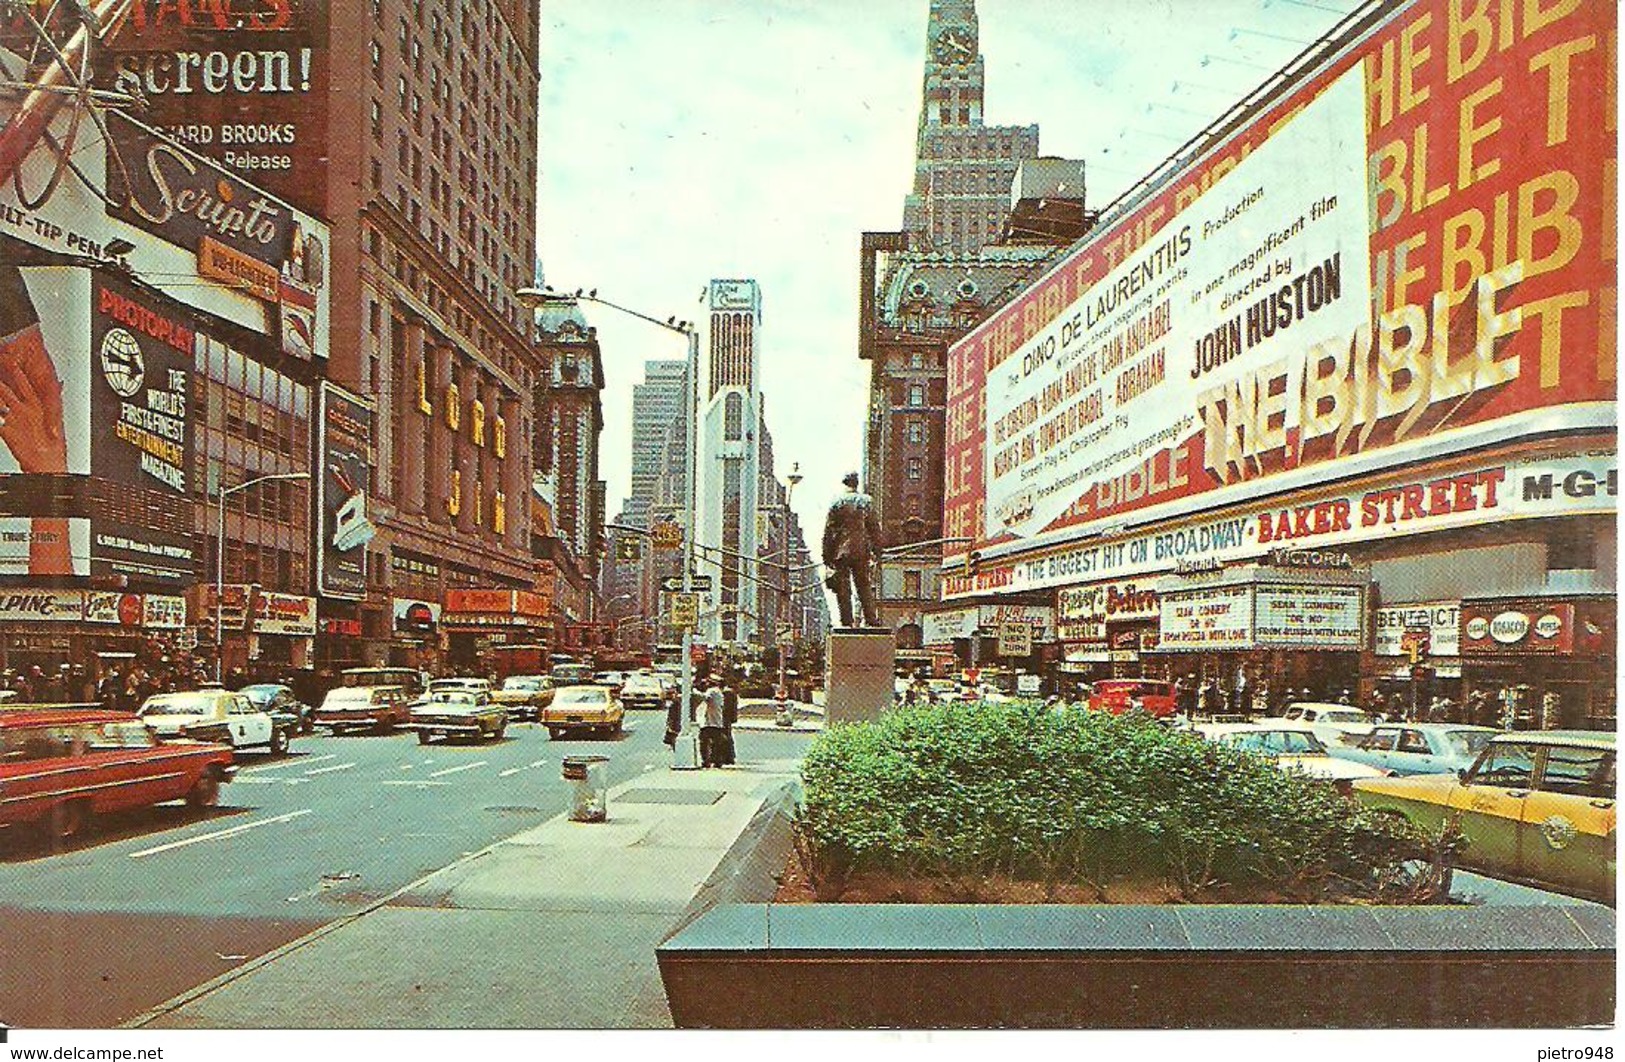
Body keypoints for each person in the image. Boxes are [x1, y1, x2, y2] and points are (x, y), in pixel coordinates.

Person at [821, 472, 883, 628]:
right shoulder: (866, 501)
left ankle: (846, 621)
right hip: (861, 550)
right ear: (856, 483)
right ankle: (871, 619)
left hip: (841, 552)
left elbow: (828, 531)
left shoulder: (836, 502)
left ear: (845, 483)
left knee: (843, 588)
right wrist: (878, 550)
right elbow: (874, 528)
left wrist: (827, 557)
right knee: (863, 585)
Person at [699, 679, 727, 769]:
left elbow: (705, 698)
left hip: (710, 722)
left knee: (704, 742)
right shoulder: (720, 693)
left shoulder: (712, 691)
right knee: (717, 743)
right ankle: (717, 761)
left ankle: (706, 761)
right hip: (717, 722)